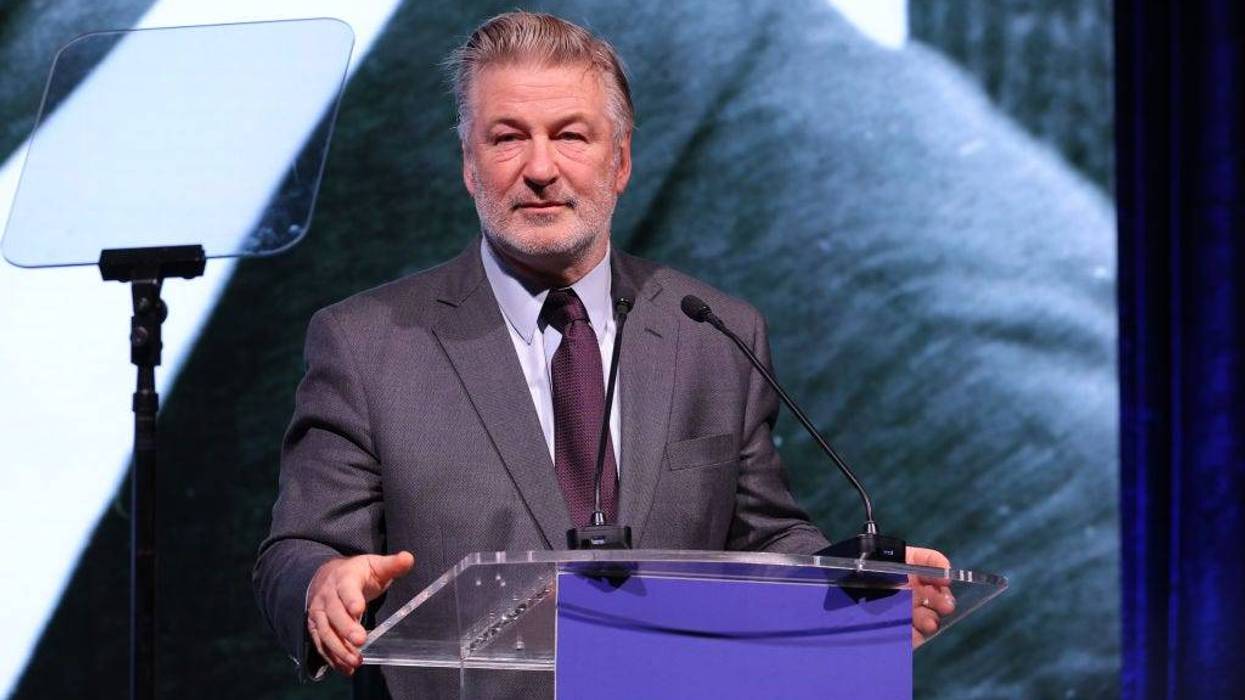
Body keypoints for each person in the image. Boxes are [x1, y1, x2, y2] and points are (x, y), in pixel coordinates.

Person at [253, 10, 952, 696]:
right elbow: (296, 552)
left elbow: (763, 539)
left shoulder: (711, 332)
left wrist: (853, 594)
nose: (539, 168)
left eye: (570, 136)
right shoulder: (368, 342)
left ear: (618, 162)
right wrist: (322, 586)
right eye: (506, 138)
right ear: (469, 165)